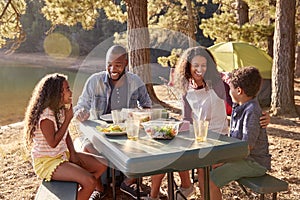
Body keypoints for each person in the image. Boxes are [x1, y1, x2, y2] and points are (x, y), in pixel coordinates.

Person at [147, 46, 270, 200]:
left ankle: (195, 190)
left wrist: (264, 115)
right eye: (196, 65)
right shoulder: (186, 88)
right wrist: (173, 128)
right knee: (169, 152)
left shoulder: (217, 84)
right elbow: (187, 120)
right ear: (188, 66)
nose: (200, 69)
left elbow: (246, 97)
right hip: (199, 136)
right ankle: (182, 188)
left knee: (203, 172)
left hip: (219, 137)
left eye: (204, 65)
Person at [74, 45, 152, 199]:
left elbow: (147, 105)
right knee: (86, 148)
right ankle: (99, 188)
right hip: (98, 134)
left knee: (149, 150)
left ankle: (128, 183)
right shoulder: (94, 81)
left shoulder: (135, 81)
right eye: (109, 64)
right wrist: (80, 113)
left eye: (117, 65)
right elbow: (81, 105)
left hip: (126, 134)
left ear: (126, 63)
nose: (112, 69)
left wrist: (138, 114)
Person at [24, 73, 107, 200]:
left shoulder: (60, 109)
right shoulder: (46, 117)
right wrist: (68, 118)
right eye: (67, 89)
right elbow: (53, 142)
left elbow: (65, 133)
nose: (71, 92)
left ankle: (81, 193)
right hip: (47, 162)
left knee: (102, 164)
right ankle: (85, 189)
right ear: (57, 93)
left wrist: (73, 153)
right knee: (90, 181)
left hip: (62, 155)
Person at [208, 66, 271, 200]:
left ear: (239, 90)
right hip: (243, 158)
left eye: (230, 89)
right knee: (208, 168)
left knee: (211, 180)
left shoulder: (251, 111)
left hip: (253, 163)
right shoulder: (241, 106)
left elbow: (247, 146)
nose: (229, 92)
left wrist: (225, 160)